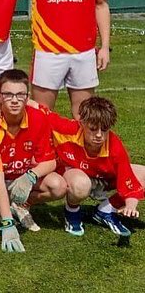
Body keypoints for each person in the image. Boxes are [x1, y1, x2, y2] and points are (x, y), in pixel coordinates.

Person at [0, 69, 66, 252]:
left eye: (20, 94)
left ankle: (21, 204)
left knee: (58, 185)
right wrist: (7, 224)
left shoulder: (38, 118)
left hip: (21, 172)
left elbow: (50, 160)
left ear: (27, 96)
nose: (14, 100)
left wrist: (30, 176)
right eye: (8, 94)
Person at [48, 96, 144, 237]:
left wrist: (130, 206)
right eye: (93, 129)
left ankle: (105, 210)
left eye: (104, 129)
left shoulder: (115, 146)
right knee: (81, 184)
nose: (99, 135)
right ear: (82, 123)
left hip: (103, 179)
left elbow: (127, 180)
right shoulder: (66, 129)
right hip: (76, 176)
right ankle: (72, 212)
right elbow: (40, 111)